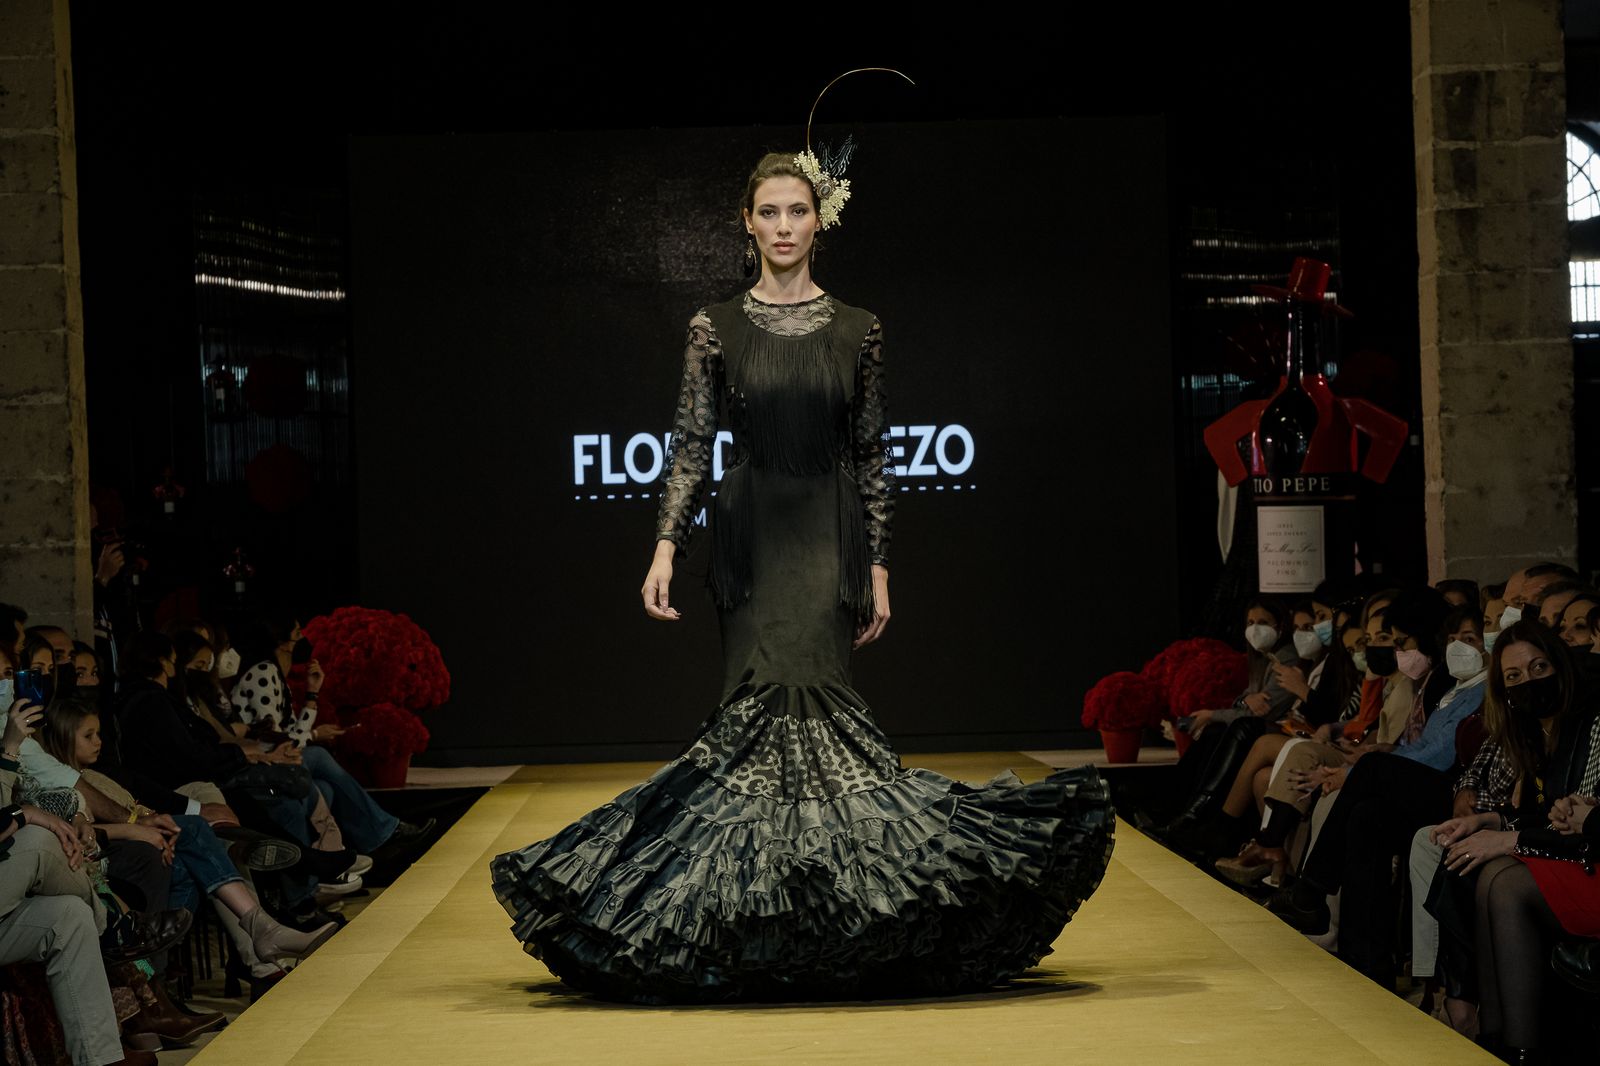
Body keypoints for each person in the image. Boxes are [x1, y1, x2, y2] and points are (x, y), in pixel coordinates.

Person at [490, 143, 1114, 1004]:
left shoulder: (861, 328)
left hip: (829, 536)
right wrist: (668, 544)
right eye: (769, 212)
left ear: (821, 220)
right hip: (747, 541)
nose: (784, 226)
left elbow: (872, 454)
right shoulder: (713, 325)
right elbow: (689, 444)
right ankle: (757, 925)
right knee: (751, 722)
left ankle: (832, 919)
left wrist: (882, 565)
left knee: (822, 723)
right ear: (747, 225)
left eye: (798, 211)